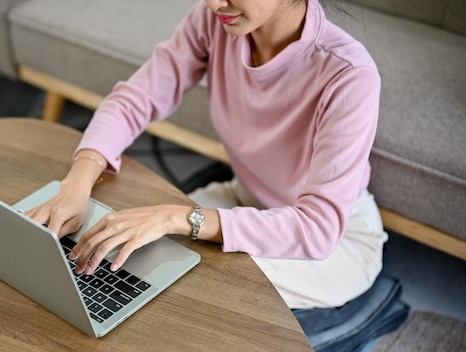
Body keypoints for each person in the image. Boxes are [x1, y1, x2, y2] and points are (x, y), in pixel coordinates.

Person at [27, 0, 388, 310]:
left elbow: (317, 229)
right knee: (132, 254)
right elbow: (134, 99)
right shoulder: (214, 22)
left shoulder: (349, 75)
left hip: (334, 242)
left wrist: (181, 218)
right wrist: (76, 182)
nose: (215, 3)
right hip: (244, 199)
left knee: (187, 289)